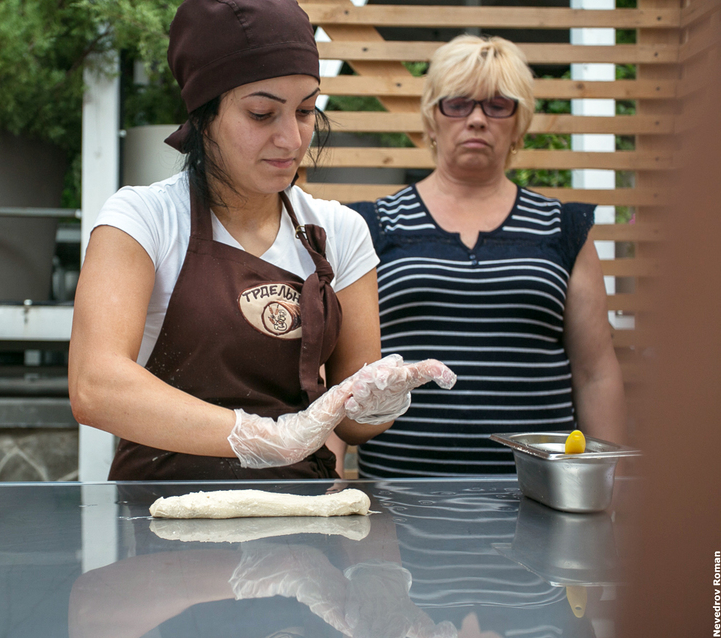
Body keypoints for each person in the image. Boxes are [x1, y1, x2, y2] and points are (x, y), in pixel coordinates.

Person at [68, 0, 455, 481]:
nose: (291, 139)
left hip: (302, 511)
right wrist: (265, 437)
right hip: (157, 508)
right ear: (203, 115)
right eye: (261, 113)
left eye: (306, 110)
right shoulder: (143, 219)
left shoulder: (340, 231)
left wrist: (378, 401)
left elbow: (354, 428)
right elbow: (95, 386)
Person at [346, 35, 627, 478]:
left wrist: (609, 483)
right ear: (432, 119)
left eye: (498, 105)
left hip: (539, 494)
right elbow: (341, 375)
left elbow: (596, 374)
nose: (477, 119)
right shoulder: (371, 225)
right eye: (457, 104)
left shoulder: (565, 227)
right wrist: (328, 483)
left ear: (519, 124)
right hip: (398, 498)